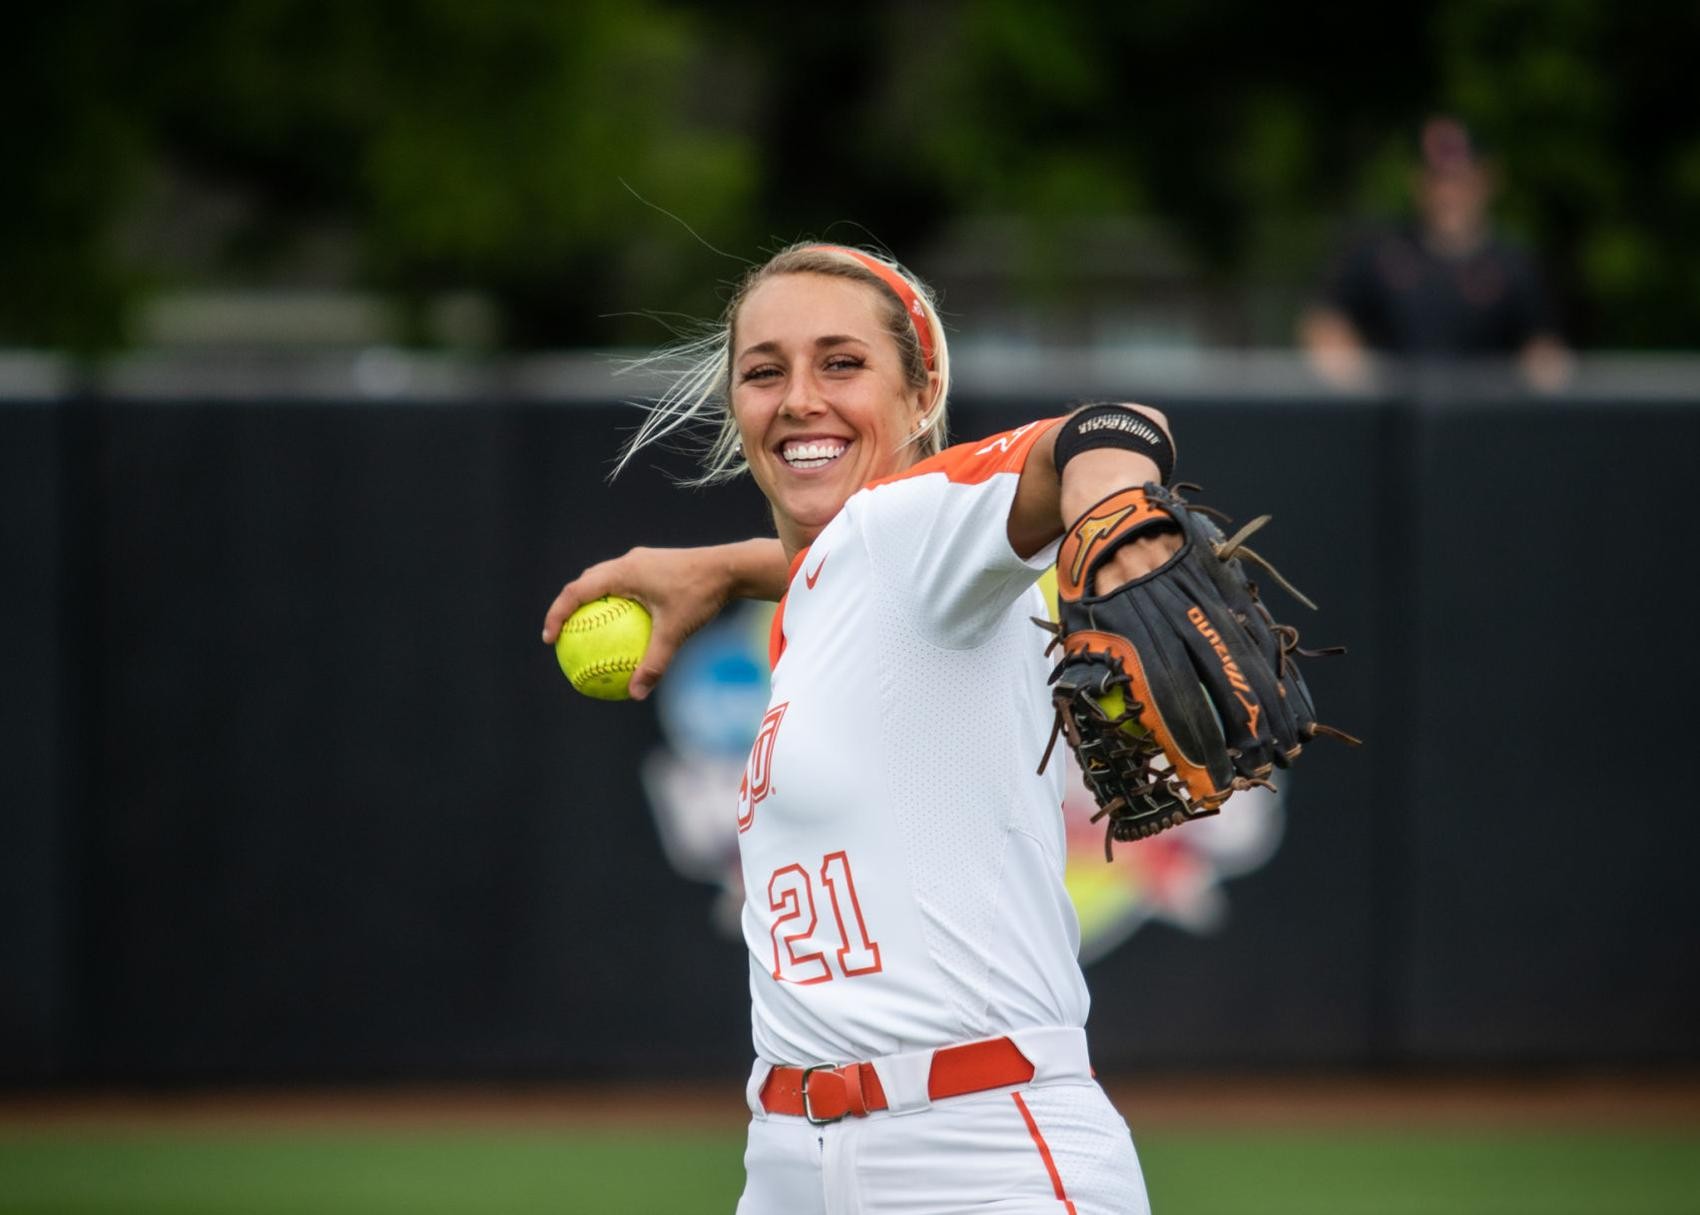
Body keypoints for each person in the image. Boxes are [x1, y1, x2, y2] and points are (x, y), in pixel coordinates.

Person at [543, 243, 1182, 1213]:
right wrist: (727, 565)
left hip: (977, 1159)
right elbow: (839, 567)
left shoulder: (919, 527)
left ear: (922, 393)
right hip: (792, 1161)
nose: (798, 397)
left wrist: (1118, 517)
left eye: (841, 364)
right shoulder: (847, 582)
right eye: (764, 371)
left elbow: (1108, 429)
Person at [1300, 116, 1571, 391]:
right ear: (1417, 182)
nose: (1448, 193)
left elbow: (1543, 348)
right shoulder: (1380, 254)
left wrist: (1542, 378)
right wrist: (1349, 373)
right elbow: (1326, 320)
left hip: (1482, 424)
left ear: (1487, 180)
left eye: (1459, 178)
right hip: (1394, 424)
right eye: (1438, 178)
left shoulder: (1515, 266)